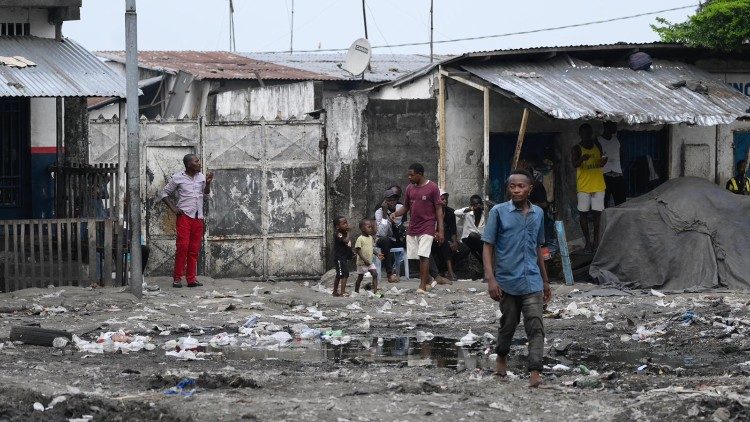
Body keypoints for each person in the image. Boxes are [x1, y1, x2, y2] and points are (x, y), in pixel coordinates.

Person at [482, 169, 551, 388]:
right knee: (508, 324)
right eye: (512, 186)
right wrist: (491, 279)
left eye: (521, 186)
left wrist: (546, 280)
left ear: (530, 189)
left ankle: (535, 371)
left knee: (535, 325)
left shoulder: (538, 213)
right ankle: (501, 356)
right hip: (507, 281)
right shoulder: (498, 212)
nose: (516, 190)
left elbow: (538, 248)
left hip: (532, 280)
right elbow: (488, 246)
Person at [160, 153, 213, 288]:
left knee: (194, 249)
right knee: (182, 248)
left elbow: (206, 194)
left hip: (198, 217)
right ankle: (177, 278)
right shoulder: (178, 178)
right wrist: (173, 208)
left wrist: (207, 184)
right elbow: (164, 194)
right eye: (197, 161)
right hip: (184, 217)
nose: (200, 163)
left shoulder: (201, 177)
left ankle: (191, 279)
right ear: (189, 164)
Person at [391, 163, 444, 294]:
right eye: (408, 175)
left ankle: (422, 285)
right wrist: (396, 213)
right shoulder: (409, 188)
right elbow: (406, 207)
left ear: (420, 174)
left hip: (428, 225)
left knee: (424, 255)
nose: (409, 177)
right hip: (413, 226)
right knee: (413, 257)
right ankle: (429, 279)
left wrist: (440, 230)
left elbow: (438, 209)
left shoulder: (432, 187)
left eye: (412, 175)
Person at [571, 123, 607, 254]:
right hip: (584, 187)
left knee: (598, 214)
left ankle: (596, 241)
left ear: (591, 133)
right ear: (580, 134)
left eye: (589, 133)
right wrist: (582, 158)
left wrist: (604, 161)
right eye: (584, 133)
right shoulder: (577, 148)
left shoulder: (597, 145)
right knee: (583, 214)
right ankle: (587, 242)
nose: (587, 136)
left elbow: (601, 159)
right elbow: (574, 164)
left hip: (598, 185)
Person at [375, 187, 405, 283]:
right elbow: (382, 233)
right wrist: (385, 214)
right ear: (385, 201)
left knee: (410, 239)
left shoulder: (400, 209)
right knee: (385, 240)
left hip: (395, 238)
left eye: (394, 199)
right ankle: (389, 274)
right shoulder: (379, 212)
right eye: (389, 200)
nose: (392, 202)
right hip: (382, 239)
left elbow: (399, 226)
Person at [599, 121, 626, 207]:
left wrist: (621, 169)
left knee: (621, 202)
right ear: (605, 125)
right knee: (603, 203)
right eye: (613, 125)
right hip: (604, 176)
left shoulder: (616, 140)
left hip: (618, 175)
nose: (615, 127)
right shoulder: (598, 140)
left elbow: (622, 155)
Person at [433, 190, 457, 282]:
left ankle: (445, 270)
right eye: (442, 199)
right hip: (432, 238)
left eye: (446, 199)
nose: (445, 201)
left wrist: (454, 242)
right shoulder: (432, 211)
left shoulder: (450, 212)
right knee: (445, 244)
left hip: (445, 238)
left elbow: (453, 229)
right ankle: (450, 272)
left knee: (464, 250)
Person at [354, 219, 383, 294]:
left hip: (370, 262)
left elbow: (371, 248)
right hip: (361, 263)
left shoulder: (370, 238)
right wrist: (364, 260)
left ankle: (375, 292)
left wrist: (377, 254)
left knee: (375, 274)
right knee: (360, 278)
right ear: (363, 229)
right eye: (369, 227)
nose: (371, 228)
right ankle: (356, 291)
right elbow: (358, 250)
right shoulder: (360, 239)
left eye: (371, 227)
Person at [454, 195, 486, 263]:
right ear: (471, 205)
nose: (478, 206)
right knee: (472, 235)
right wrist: (470, 208)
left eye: (480, 203)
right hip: (467, 240)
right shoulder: (467, 214)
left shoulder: (485, 215)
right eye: (476, 204)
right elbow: (456, 212)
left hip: (479, 241)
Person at [332, 215, 353, 297]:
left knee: (340, 274)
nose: (346, 225)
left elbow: (348, 245)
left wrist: (351, 253)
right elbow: (346, 241)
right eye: (344, 223)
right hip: (339, 258)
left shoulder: (344, 233)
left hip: (343, 257)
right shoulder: (338, 234)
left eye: (346, 223)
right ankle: (342, 292)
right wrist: (349, 232)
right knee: (344, 274)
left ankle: (335, 291)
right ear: (337, 226)